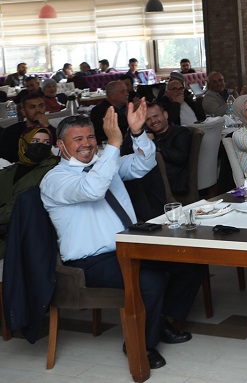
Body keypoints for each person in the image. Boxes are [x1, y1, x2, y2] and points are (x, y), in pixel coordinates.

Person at [40, 107, 205, 370]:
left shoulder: (104, 163)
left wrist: (137, 133)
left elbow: (144, 164)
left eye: (90, 137)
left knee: (190, 261)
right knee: (149, 281)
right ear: (61, 146)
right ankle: (141, 345)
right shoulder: (55, 180)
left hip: (129, 247)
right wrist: (115, 144)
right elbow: (92, 190)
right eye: (78, 139)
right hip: (91, 260)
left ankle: (162, 319)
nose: (86, 144)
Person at [0, 126, 57, 256]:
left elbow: (21, 205)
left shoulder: (52, 169)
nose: (41, 146)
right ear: (23, 143)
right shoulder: (7, 172)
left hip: (26, 234)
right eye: (35, 141)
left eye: (46, 142)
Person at [144, 102, 194, 196]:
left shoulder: (180, 132)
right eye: (148, 119)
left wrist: (154, 142)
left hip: (173, 183)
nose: (153, 121)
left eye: (155, 116)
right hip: (153, 181)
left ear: (165, 115)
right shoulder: (148, 135)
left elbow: (180, 157)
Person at [0, 92, 49, 163]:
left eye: (41, 106)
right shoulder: (11, 132)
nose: (38, 110)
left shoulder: (51, 129)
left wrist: (47, 126)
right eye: (32, 107)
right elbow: (4, 160)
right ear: (23, 112)